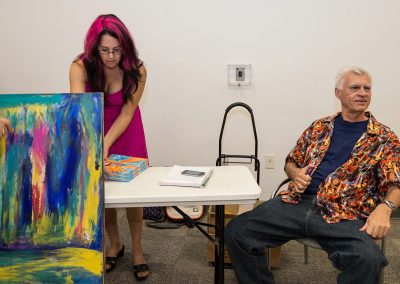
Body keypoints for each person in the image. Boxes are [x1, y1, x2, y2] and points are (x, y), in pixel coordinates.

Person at [225, 67, 400, 283]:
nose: (363, 93)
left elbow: (395, 182)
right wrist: (296, 173)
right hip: (298, 202)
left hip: (344, 213)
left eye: (367, 88)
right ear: (338, 93)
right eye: (355, 87)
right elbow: (291, 161)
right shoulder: (320, 127)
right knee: (236, 231)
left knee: (369, 259)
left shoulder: (384, 137)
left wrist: (386, 208)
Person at [69, 14, 149, 281]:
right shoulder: (80, 67)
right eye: (105, 50)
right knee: (106, 193)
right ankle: (115, 244)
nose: (112, 56)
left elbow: (127, 113)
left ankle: (138, 251)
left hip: (127, 130)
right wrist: (95, 143)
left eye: (117, 50)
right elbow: (79, 110)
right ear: (94, 48)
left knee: (133, 194)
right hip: (95, 128)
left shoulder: (137, 69)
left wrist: (107, 142)